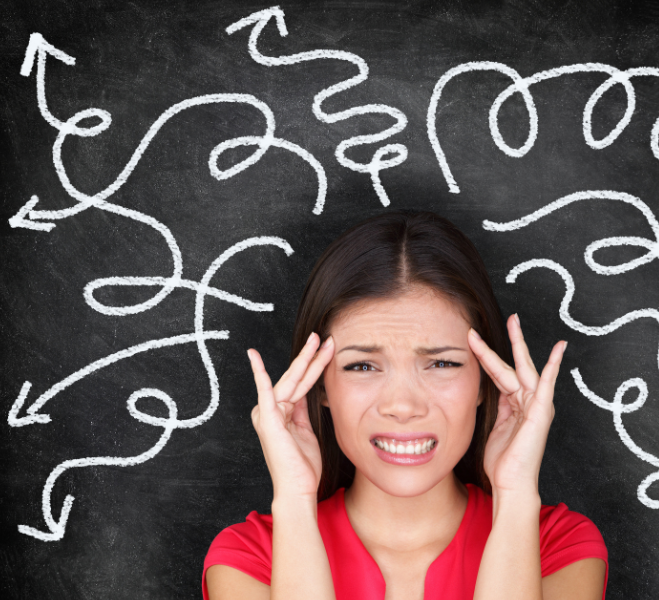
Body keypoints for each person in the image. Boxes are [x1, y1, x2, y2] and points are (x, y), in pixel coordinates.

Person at [203, 210, 608, 600]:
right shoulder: (250, 558)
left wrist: (515, 493)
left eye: (442, 363)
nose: (402, 405)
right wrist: (293, 498)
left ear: (486, 383)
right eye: (362, 365)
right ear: (319, 385)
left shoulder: (558, 547)